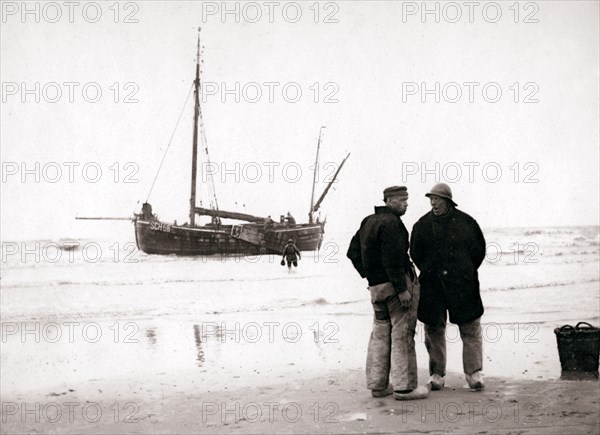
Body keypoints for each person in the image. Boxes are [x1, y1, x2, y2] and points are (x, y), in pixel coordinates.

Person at [347, 186, 430, 400]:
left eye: (406, 199)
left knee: (380, 335)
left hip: (376, 289)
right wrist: (402, 289)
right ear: (389, 201)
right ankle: (405, 388)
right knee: (402, 334)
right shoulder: (393, 223)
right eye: (402, 200)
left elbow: (352, 251)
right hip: (396, 287)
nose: (406, 204)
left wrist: (370, 276)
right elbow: (392, 259)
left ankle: (378, 385)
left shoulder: (368, 221)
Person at [410, 183, 486, 391]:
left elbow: (478, 251)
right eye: (431, 199)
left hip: (462, 284)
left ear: (448, 201)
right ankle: (437, 374)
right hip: (432, 285)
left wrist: (465, 272)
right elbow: (415, 253)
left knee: (470, 327)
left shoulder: (467, 222)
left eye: (437, 199)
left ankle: (473, 374)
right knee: (433, 329)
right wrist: (429, 270)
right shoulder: (422, 225)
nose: (433, 203)